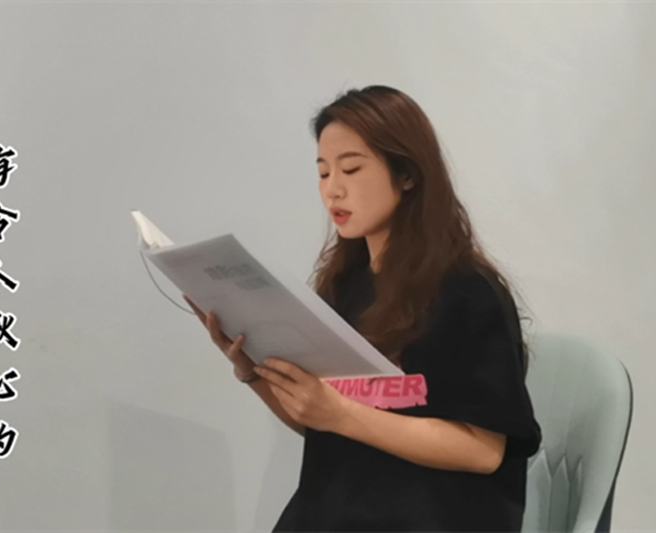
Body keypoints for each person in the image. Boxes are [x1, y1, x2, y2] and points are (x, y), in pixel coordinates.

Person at [184, 85, 542, 532]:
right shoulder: (344, 287)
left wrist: (340, 413)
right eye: (323, 172)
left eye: (351, 169)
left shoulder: (467, 292)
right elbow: (324, 424)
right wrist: (254, 371)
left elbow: (484, 451)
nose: (332, 190)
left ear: (407, 174)